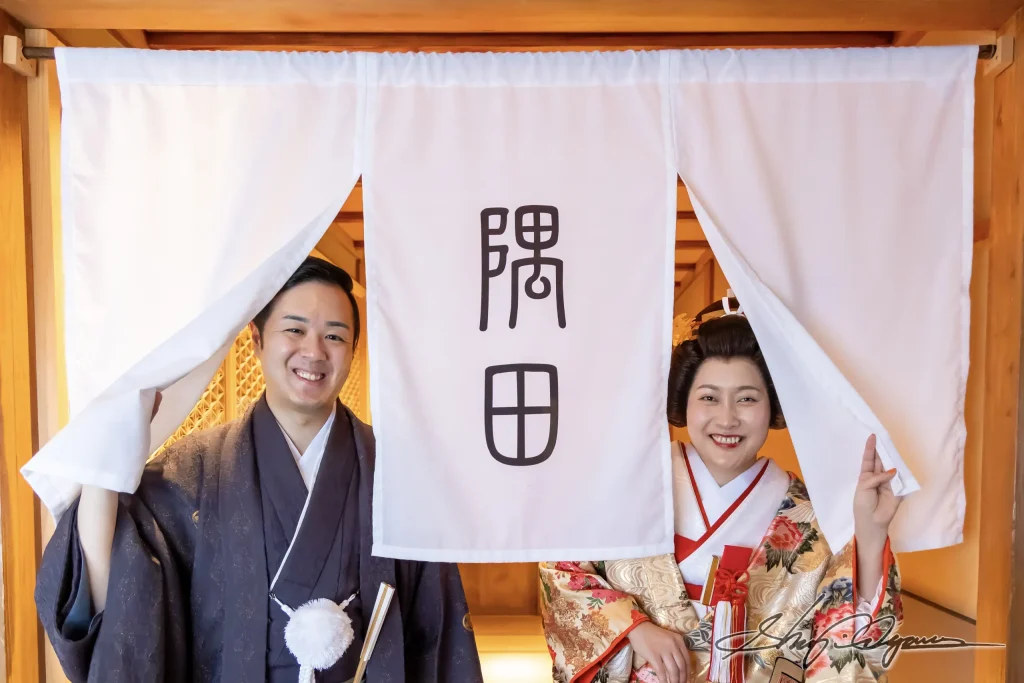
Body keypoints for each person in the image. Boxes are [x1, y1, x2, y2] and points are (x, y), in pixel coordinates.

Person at [36, 256, 484, 683]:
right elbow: (122, 581)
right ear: (256, 339)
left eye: (334, 336)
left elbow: (438, 630)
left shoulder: (397, 472)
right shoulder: (194, 469)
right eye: (295, 329)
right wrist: (106, 456)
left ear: (353, 349)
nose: (314, 351)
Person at [540, 304, 904, 683]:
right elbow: (561, 571)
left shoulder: (807, 519)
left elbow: (843, 643)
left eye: (747, 399)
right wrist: (632, 629)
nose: (727, 419)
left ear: (772, 407)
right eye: (709, 398)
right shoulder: (629, 483)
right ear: (684, 401)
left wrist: (871, 535)